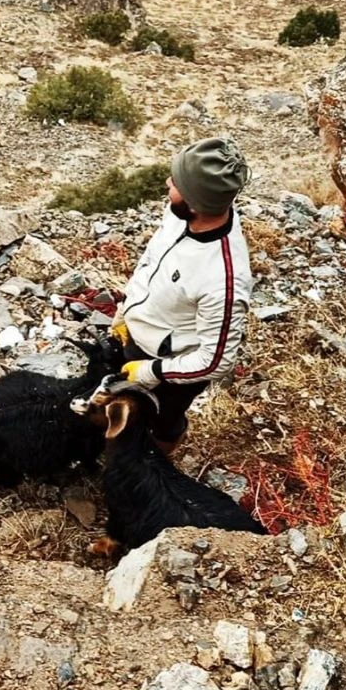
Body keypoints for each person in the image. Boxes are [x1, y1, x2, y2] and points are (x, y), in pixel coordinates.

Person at [110, 137, 253, 456]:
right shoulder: (181, 212)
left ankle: (155, 464)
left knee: (164, 420)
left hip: (172, 365)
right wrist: (126, 311)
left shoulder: (223, 279)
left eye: (175, 183)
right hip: (140, 332)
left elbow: (216, 361)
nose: (167, 183)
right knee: (125, 402)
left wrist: (152, 372)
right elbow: (152, 259)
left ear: (196, 203)